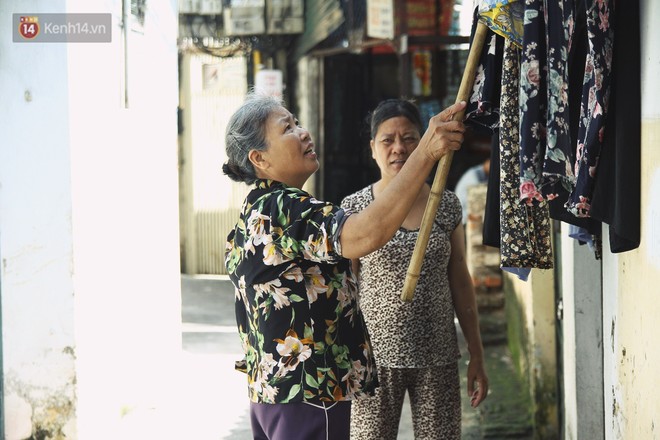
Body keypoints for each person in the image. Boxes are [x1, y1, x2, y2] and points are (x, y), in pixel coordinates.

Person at [222, 91, 467, 440]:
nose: (304, 132)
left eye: (298, 122)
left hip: (272, 396)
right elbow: (364, 234)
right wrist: (425, 152)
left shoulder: (255, 212)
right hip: (309, 395)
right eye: (287, 128)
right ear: (259, 157)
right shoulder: (285, 208)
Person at [340, 99, 488, 440]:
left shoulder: (446, 203)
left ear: (424, 143)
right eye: (387, 140)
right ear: (372, 149)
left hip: (437, 353)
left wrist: (476, 355)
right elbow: (344, 287)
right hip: (374, 358)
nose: (398, 148)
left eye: (409, 138)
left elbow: (461, 280)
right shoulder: (355, 209)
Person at [454, 158, 490, 225]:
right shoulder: (473, 174)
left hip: (471, 216)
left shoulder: (487, 176)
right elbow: (480, 195)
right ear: (487, 162)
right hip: (464, 217)